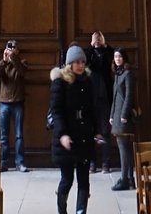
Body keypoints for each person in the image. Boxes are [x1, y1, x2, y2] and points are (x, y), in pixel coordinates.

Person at [50, 45, 96, 214]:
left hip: (84, 135)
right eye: (77, 62)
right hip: (67, 135)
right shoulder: (60, 82)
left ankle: (81, 211)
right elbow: (57, 111)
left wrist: (96, 131)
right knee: (67, 179)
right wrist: (62, 134)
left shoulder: (87, 81)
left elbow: (92, 109)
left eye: (83, 62)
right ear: (69, 64)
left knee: (84, 180)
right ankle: (62, 211)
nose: (80, 65)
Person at [0, 39, 28, 172]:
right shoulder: (4, 64)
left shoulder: (22, 62)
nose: (11, 50)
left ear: (17, 51)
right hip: (4, 102)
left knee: (19, 134)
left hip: (18, 102)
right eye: (9, 48)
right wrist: (4, 61)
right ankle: (3, 162)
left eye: (13, 48)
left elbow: (21, 72)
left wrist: (13, 58)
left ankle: (20, 162)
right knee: (4, 135)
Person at [86, 31, 113, 174]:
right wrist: (92, 46)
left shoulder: (107, 52)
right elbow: (87, 63)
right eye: (95, 38)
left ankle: (105, 163)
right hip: (91, 98)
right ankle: (92, 163)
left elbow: (111, 61)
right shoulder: (89, 53)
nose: (97, 40)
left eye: (99, 38)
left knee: (104, 132)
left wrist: (105, 44)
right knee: (91, 132)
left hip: (104, 99)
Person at [109, 48, 135, 191]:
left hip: (124, 117)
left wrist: (124, 115)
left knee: (124, 148)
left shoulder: (128, 74)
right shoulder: (117, 74)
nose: (117, 59)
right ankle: (130, 179)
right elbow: (114, 98)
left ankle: (124, 179)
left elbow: (130, 96)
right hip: (117, 115)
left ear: (124, 58)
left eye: (119, 56)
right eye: (115, 57)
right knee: (125, 148)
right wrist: (112, 115)